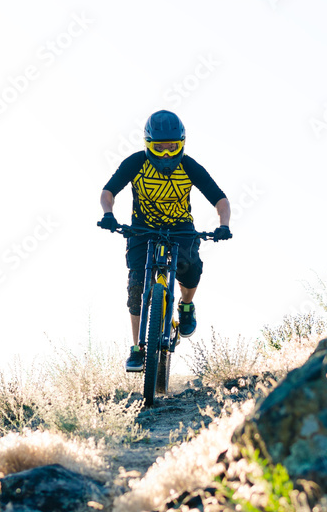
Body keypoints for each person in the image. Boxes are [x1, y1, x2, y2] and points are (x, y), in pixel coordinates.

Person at [98, 110, 231, 372]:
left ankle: (186, 306)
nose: (167, 154)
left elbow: (220, 199)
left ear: (182, 143)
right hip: (142, 229)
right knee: (136, 285)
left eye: (173, 147)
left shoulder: (188, 166)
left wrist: (223, 225)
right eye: (160, 147)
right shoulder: (136, 163)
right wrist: (108, 214)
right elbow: (108, 192)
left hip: (180, 228)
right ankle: (137, 348)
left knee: (190, 269)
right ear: (148, 145)